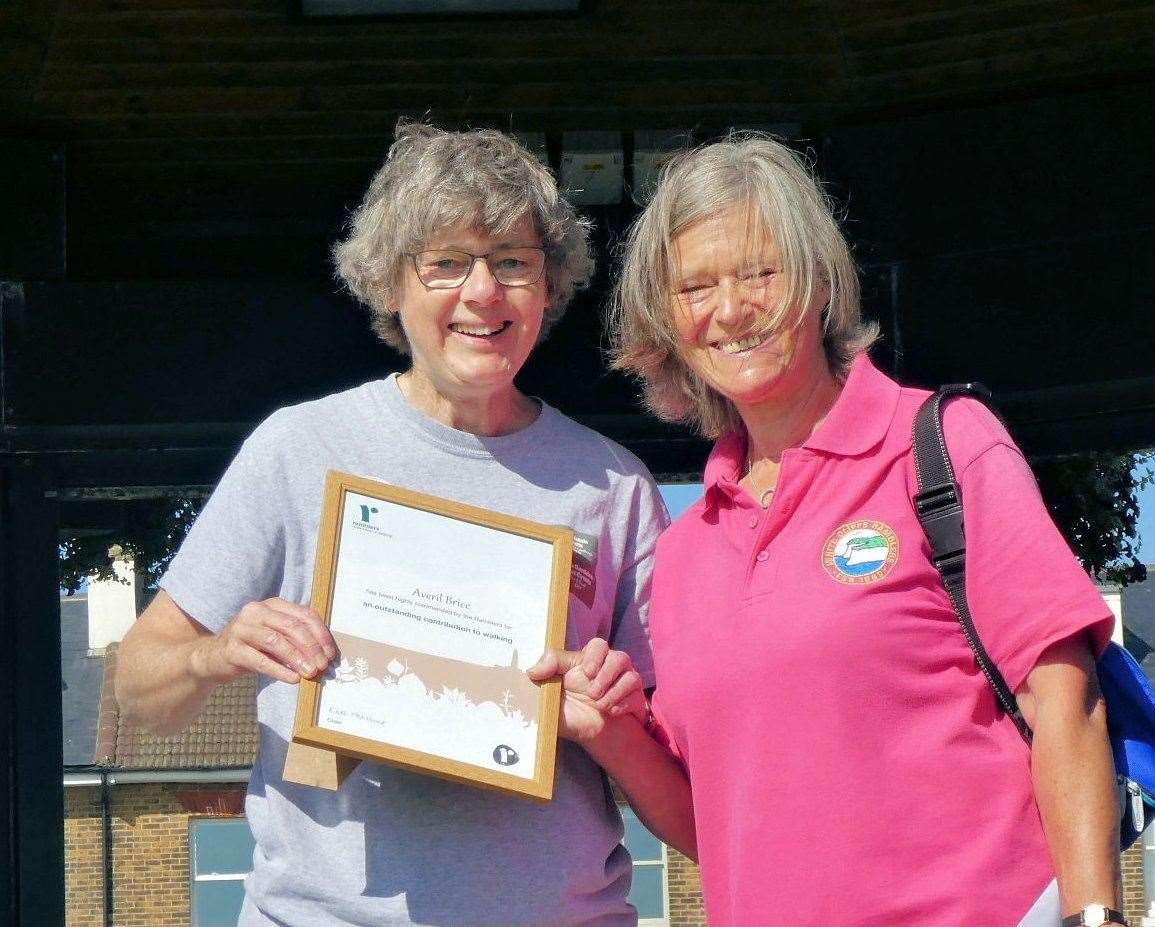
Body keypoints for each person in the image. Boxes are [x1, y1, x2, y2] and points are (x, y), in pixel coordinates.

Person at [115, 122, 687, 927]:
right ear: (390, 283)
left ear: (549, 288)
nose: (482, 292)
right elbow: (137, 690)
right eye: (446, 261)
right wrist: (219, 650)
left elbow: (684, 805)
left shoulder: (612, 485)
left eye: (513, 262)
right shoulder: (299, 446)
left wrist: (611, 723)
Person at [603, 134, 1122, 926]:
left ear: (816, 281)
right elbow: (710, 825)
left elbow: (1066, 700)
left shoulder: (940, 446)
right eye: (695, 286)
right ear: (666, 322)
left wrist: (1097, 917)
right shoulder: (681, 552)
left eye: (759, 271)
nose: (730, 308)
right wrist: (608, 732)